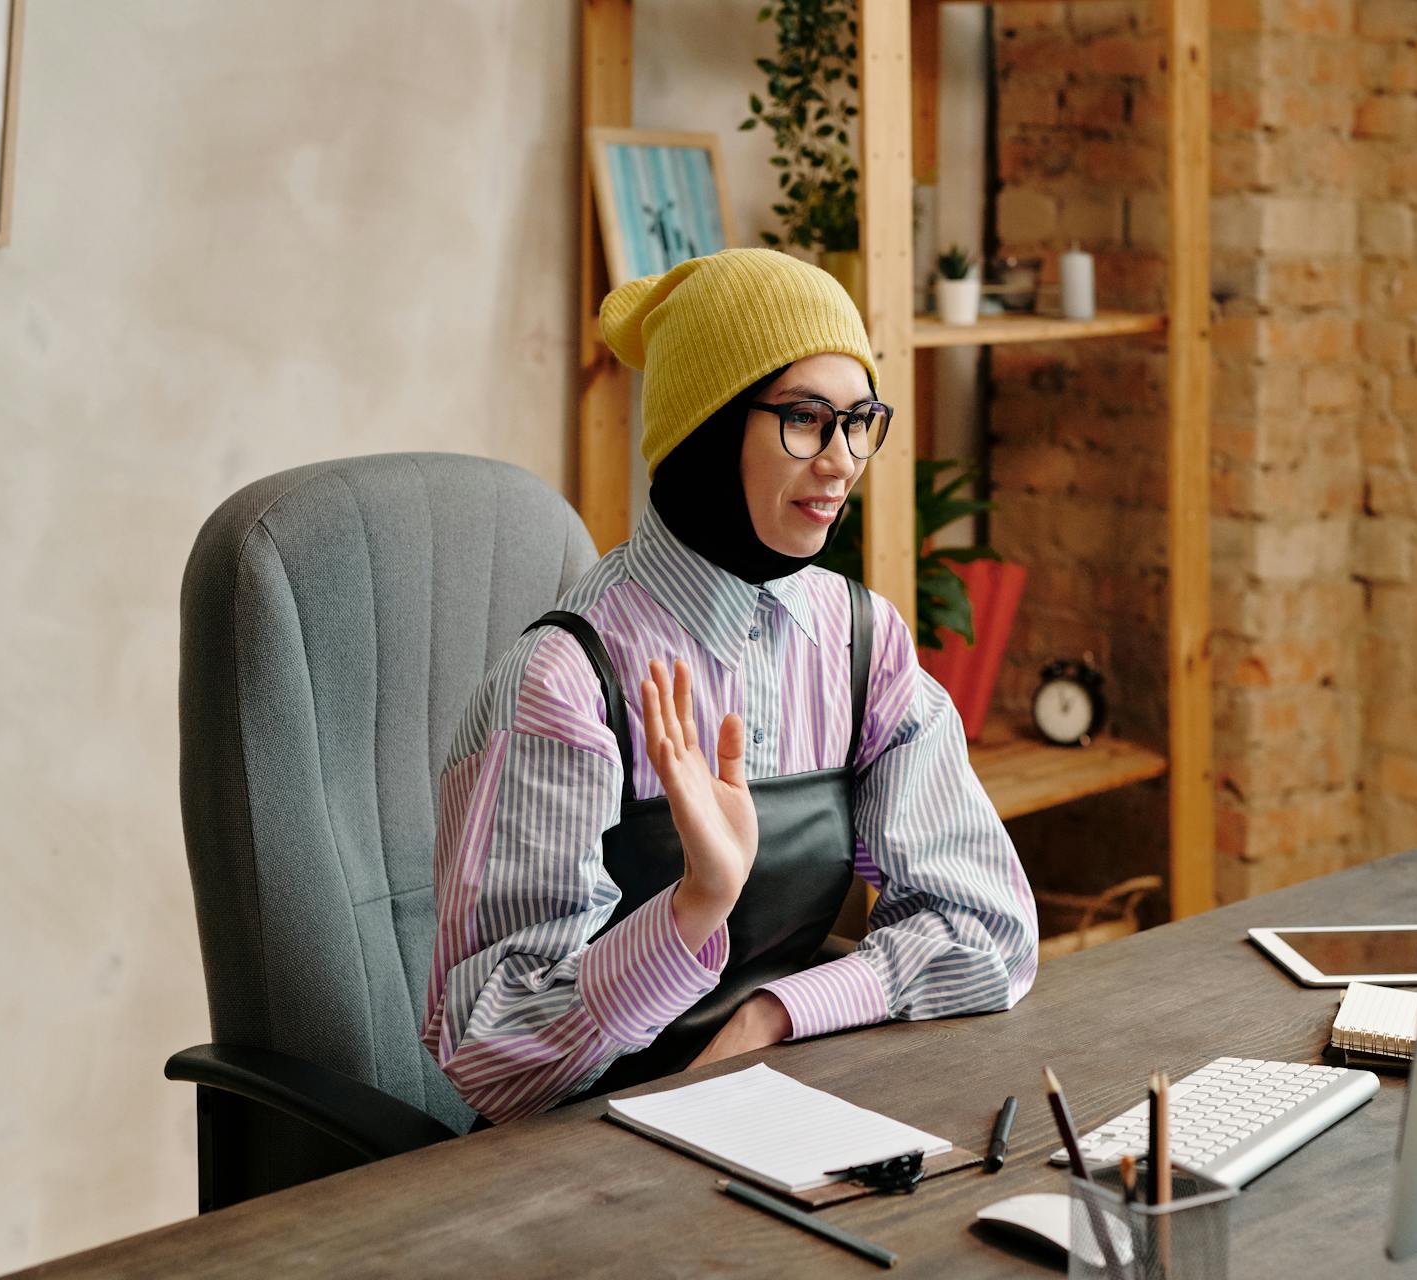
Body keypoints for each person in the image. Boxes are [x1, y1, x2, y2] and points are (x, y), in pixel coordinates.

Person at [421, 248, 1039, 1125]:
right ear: (706, 430)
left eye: (860, 420)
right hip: (587, 1165)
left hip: (783, 1104)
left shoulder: (862, 645)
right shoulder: (563, 685)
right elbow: (493, 1058)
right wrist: (692, 908)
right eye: (805, 419)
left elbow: (989, 932)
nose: (842, 462)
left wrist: (777, 1013)